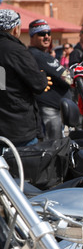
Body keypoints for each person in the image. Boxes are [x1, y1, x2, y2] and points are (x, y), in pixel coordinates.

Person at [0, 9, 50, 147]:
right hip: (18, 129)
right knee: (25, 168)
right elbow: (39, 84)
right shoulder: (16, 50)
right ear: (16, 29)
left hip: (7, 128)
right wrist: (42, 76)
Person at [28, 19, 73, 140]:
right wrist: (71, 73)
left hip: (55, 111)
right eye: (42, 34)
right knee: (53, 148)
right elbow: (68, 79)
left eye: (48, 33)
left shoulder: (39, 54)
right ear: (32, 36)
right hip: (49, 111)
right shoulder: (39, 55)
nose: (47, 36)